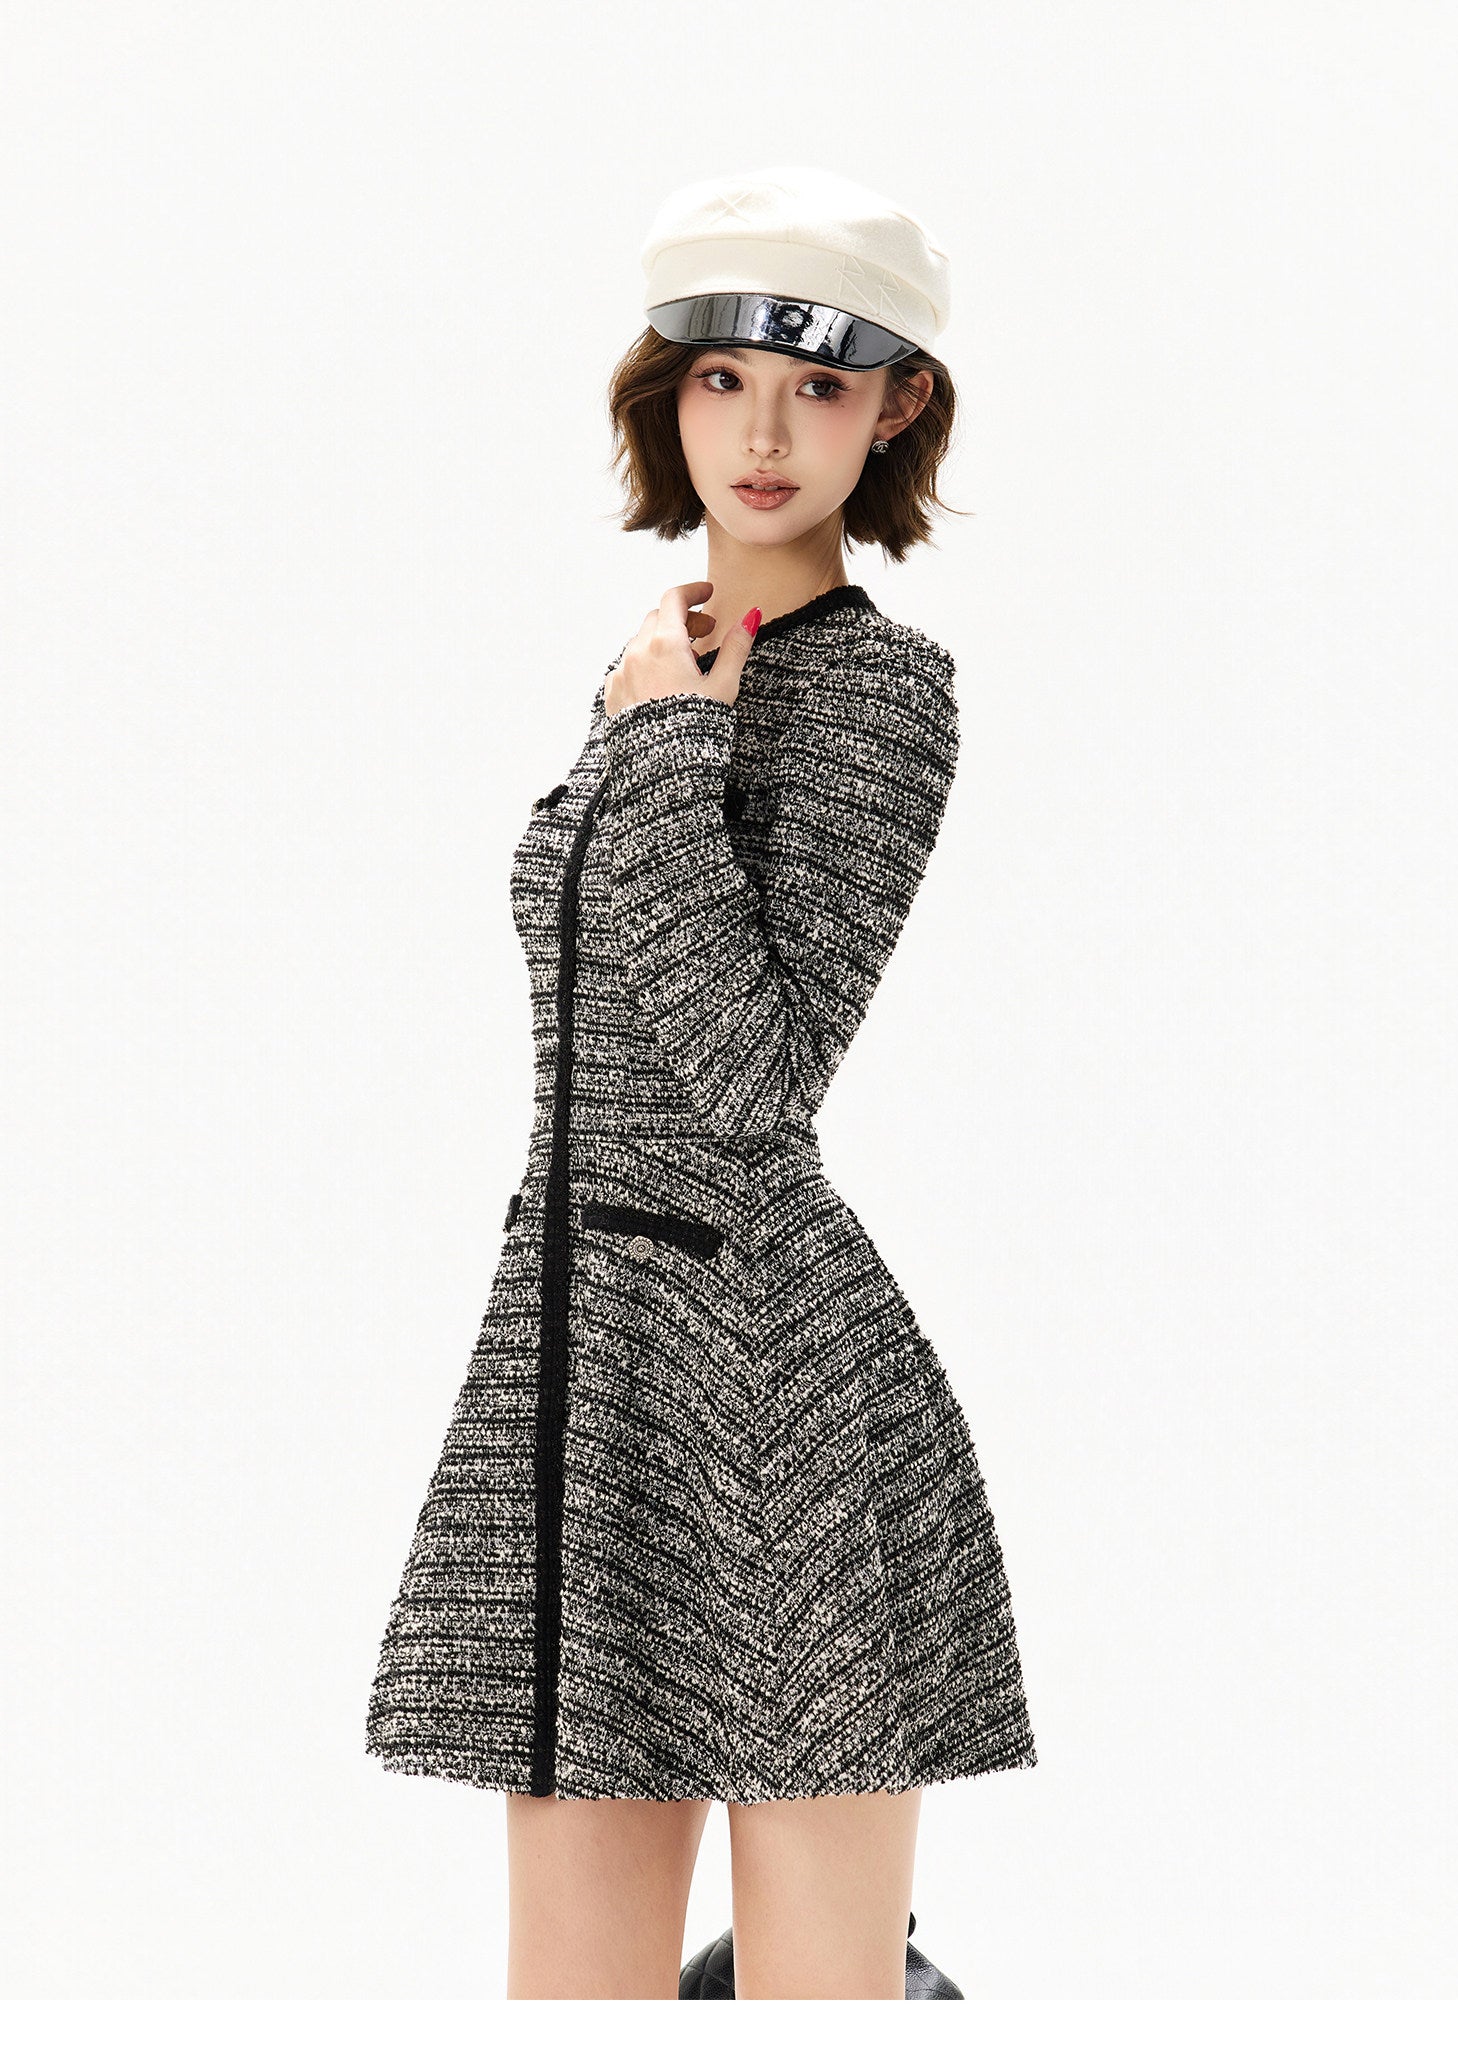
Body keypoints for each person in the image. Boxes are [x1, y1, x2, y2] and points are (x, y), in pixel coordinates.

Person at [364, 163, 1038, 2000]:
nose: (761, 435)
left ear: (895, 407)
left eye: (820, 387)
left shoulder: (878, 694)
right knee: (569, 2010)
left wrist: (664, 746)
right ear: (666, 392)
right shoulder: (663, 663)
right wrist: (659, 716)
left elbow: (754, 1076)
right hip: (579, 1359)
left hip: (761, 1374)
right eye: (724, 379)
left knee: (818, 2008)